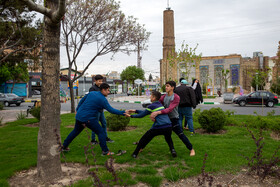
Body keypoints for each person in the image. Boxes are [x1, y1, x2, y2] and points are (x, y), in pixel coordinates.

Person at [62, 83, 130, 156]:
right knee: (101, 132)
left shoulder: (92, 93)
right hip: (88, 118)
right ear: (103, 90)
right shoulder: (102, 99)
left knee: (75, 132)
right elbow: (111, 110)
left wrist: (77, 110)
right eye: (108, 90)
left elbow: (81, 101)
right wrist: (123, 112)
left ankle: (64, 147)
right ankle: (105, 151)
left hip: (79, 116)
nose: (109, 92)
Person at [150, 81, 195, 156]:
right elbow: (158, 105)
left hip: (174, 119)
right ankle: (140, 147)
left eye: (167, 86)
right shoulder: (163, 97)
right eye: (166, 86)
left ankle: (191, 149)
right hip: (165, 119)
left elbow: (170, 109)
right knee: (151, 132)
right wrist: (153, 114)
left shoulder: (176, 97)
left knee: (181, 135)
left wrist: (158, 113)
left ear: (172, 87)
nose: (166, 87)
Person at [128, 91, 177, 158]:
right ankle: (173, 150)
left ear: (154, 98)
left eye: (151, 96)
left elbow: (142, 115)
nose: (150, 97)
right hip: (168, 126)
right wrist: (135, 111)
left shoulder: (152, 105)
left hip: (160, 126)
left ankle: (135, 154)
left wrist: (131, 116)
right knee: (168, 138)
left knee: (144, 138)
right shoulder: (159, 104)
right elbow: (146, 112)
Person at [89, 74, 114, 144]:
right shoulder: (92, 89)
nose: (100, 82)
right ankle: (93, 140)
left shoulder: (102, 88)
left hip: (101, 110)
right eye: (99, 81)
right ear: (95, 81)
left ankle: (105, 137)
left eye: (101, 81)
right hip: (95, 111)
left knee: (104, 124)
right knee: (95, 125)